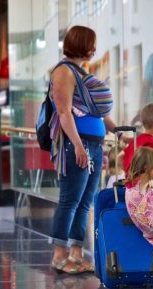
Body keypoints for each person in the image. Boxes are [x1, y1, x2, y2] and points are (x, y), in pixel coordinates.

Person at [48, 25, 120, 275]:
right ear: (80, 44)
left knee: (85, 202)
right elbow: (64, 112)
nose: (94, 49)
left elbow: (94, 112)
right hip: (75, 145)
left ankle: (76, 254)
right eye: (91, 44)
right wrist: (78, 145)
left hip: (93, 144)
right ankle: (59, 255)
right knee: (70, 200)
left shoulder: (79, 71)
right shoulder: (64, 72)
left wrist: (115, 128)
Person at [121, 103, 153, 174]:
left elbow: (119, 157)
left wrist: (128, 175)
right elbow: (152, 168)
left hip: (130, 182)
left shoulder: (138, 139)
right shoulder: (151, 143)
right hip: (140, 183)